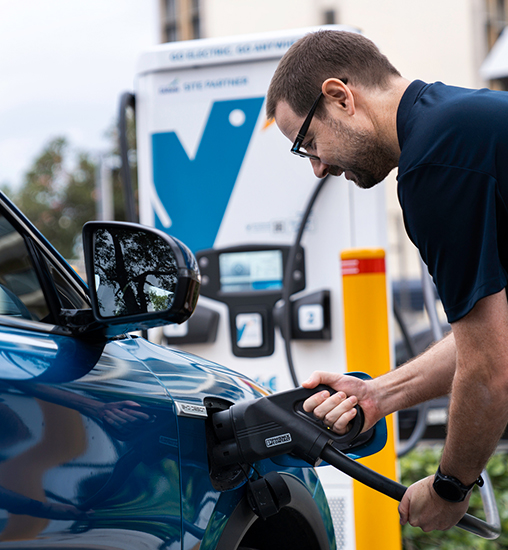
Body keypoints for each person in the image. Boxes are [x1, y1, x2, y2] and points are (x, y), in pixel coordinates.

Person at [266, 29, 508, 533]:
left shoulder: (434, 165)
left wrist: (450, 487)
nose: (317, 168)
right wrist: (380, 395)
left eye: (309, 142)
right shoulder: (455, 123)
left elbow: (490, 370)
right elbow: (496, 339)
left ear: (340, 96)